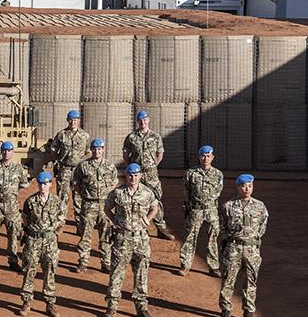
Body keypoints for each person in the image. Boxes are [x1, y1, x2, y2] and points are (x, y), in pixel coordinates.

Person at [102, 163, 159, 317]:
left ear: (140, 175)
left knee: (141, 274)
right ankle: (112, 306)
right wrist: (115, 222)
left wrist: (147, 220)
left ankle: (141, 307)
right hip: (122, 239)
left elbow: (155, 208)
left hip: (141, 239)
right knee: (117, 273)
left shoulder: (147, 192)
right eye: (130, 175)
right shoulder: (117, 193)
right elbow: (107, 208)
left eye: (136, 175)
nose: (133, 178)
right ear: (126, 176)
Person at [218, 174, 268, 317]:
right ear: (238, 187)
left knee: (251, 280)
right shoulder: (228, 206)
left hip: (252, 249)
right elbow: (222, 227)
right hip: (233, 248)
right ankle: (226, 309)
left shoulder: (260, 206)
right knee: (228, 279)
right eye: (244, 186)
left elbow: (262, 226)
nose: (247, 189)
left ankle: (249, 310)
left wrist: (252, 239)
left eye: (250, 186)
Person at [18, 171, 66, 317]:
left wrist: (53, 235)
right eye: (40, 183)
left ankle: (50, 303)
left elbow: (61, 220)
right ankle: (26, 302)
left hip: (50, 241)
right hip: (33, 240)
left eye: (46, 183)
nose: (43, 186)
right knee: (29, 271)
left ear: (51, 184)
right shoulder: (30, 201)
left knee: (49, 272)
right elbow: (25, 219)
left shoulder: (57, 201)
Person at [71, 138, 119, 273]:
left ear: (103, 150)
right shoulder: (83, 166)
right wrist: (85, 195)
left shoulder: (110, 166)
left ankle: (106, 263)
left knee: (106, 235)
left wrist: (107, 195)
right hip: (88, 204)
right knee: (85, 235)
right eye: (94, 149)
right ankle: (83, 262)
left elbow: (114, 183)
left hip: (105, 206)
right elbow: (76, 183)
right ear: (91, 150)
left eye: (99, 149)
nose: (97, 151)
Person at [123, 110, 172, 239]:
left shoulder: (155, 137)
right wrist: (131, 168)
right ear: (137, 122)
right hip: (136, 175)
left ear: (148, 120)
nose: (142, 122)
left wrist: (152, 166)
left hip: (151, 175)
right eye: (140, 120)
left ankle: (161, 228)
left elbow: (160, 154)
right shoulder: (131, 137)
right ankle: (135, 227)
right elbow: (126, 155)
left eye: (144, 120)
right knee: (134, 198)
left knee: (156, 199)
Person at [180, 145, 224, 277]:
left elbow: (218, 192)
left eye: (208, 156)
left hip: (212, 210)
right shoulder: (191, 173)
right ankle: (185, 265)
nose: (205, 159)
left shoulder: (218, 174)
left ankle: (214, 266)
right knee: (190, 237)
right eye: (203, 156)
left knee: (213, 238)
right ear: (199, 157)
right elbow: (186, 191)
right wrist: (189, 207)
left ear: (212, 157)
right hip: (196, 210)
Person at [0, 141, 29, 271]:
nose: (6, 153)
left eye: (9, 150)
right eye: (4, 150)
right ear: (1, 152)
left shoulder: (18, 168)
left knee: (13, 234)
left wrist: (11, 192)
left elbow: (23, 184)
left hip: (12, 205)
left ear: (12, 152)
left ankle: (13, 260)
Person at [49, 109, 91, 216]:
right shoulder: (61, 134)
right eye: (71, 120)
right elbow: (53, 150)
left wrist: (82, 162)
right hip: (65, 170)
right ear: (67, 120)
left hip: (78, 171)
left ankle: (80, 222)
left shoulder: (84, 135)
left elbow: (89, 152)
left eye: (75, 120)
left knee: (78, 196)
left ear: (78, 121)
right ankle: (61, 219)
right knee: (62, 195)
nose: (73, 122)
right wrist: (59, 160)